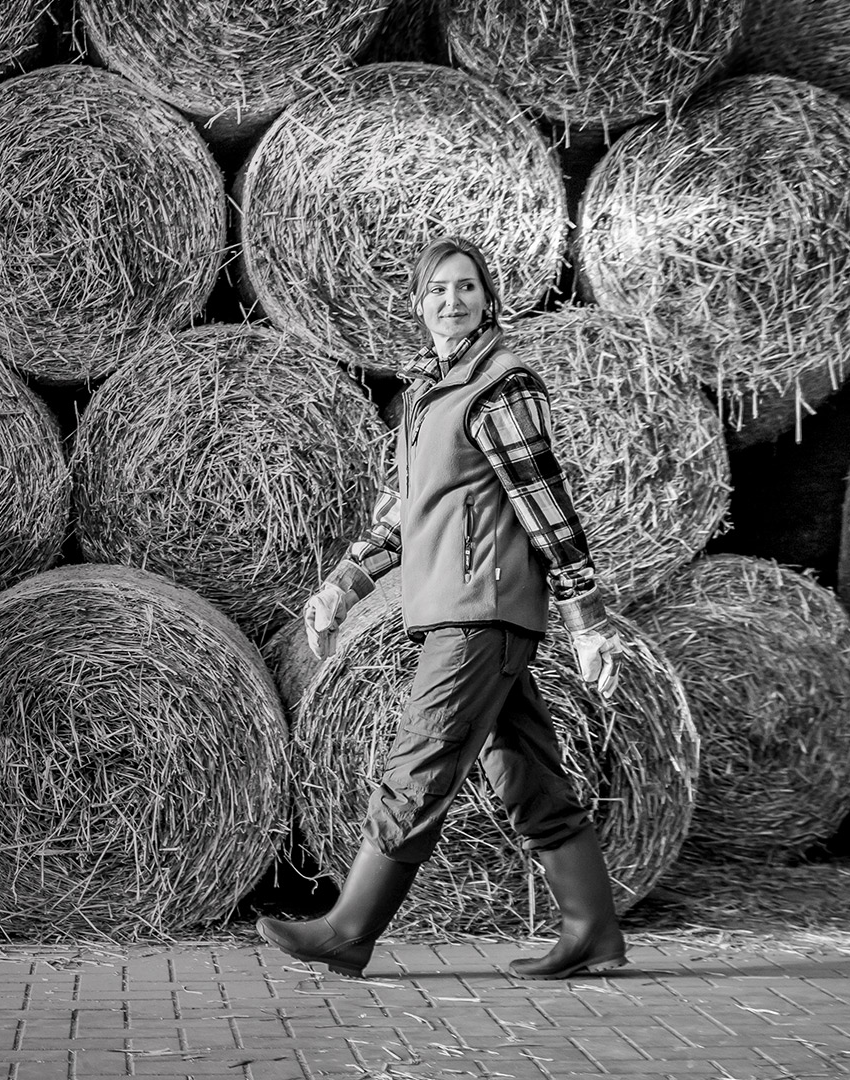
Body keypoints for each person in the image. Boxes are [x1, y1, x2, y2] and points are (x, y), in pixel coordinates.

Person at [257, 235, 628, 981]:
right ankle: (592, 927)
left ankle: (351, 928)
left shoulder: (500, 384)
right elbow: (404, 516)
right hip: (461, 606)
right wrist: (342, 587)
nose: (451, 302)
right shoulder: (431, 394)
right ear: (419, 304)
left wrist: (587, 621)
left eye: (465, 288)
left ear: (488, 297)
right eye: (436, 291)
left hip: (480, 609)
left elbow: (546, 507)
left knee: (420, 759)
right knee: (525, 772)